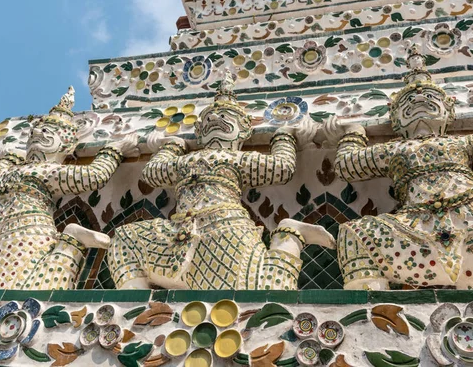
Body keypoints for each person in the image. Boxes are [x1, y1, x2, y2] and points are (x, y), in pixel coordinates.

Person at [325, 45, 473, 290]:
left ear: (450, 113)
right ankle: (372, 309)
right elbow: (347, 165)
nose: (419, 99)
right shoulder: (393, 149)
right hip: (416, 229)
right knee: (355, 235)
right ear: (395, 120)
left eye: (431, 98)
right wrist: (351, 133)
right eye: (408, 100)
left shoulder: (461, 142)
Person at [108, 72, 335, 290]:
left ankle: (289, 237)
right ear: (199, 131)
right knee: (125, 238)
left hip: (226, 227)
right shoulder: (186, 161)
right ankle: (135, 304)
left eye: (227, 117)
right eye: (209, 118)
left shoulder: (238, 159)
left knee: (264, 290)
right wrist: (171, 145)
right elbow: (153, 173)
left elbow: (282, 168)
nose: (216, 119)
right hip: (178, 232)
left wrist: (284, 135)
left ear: (244, 131)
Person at [0, 87, 138, 289]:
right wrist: (11, 159)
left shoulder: (48, 172)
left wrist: (114, 150)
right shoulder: (16, 170)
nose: (37, 133)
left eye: (47, 131)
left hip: (25, 230)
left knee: (9, 287)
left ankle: (71, 241)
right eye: (34, 132)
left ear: (65, 145)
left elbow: (94, 176)